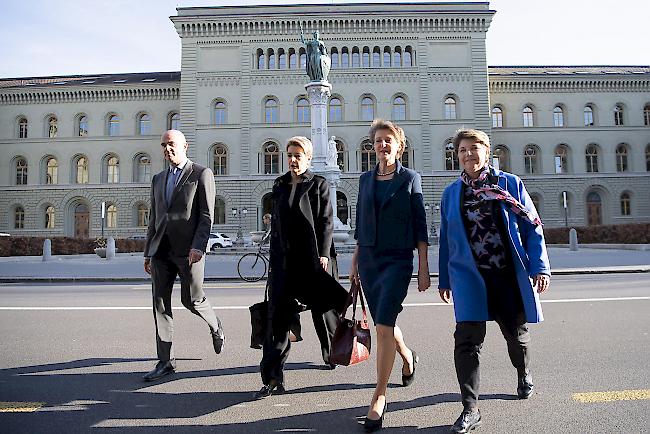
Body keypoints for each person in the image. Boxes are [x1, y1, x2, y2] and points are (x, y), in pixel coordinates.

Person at [437, 129, 551, 434]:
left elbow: (532, 226)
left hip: (505, 275)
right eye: (462, 150)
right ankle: (470, 408)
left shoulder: (509, 184)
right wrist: (445, 279)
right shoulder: (451, 193)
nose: (468, 154)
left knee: (516, 335)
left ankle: (523, 371)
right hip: (469, 277)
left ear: (487, 152)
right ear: (456, 155)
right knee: (466, 341)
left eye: (474, 148)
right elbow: (447, 239)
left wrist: (539, 266)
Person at [350, 119, 430, 432]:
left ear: (399, 146)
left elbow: (420, 224)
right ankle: (408, 357)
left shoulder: (411, 178)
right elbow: (360, 223)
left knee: (383, 324)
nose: (382, 145)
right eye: (378, 141)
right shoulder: (365, 180)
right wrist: (355, 260)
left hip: (398, 260)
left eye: (388, 140)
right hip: (369, 259)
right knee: (385, 324)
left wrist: (423, 266)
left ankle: (379, 396)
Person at [256, 136, 349, 399]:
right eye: (290, 155)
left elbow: (326, 222)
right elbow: (277, 225)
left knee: (324, 312)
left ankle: (332, 352)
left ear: (308, 157)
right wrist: (273, 261)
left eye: (298, 155)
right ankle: (273, 377)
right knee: (277, 318)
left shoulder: (318, 184)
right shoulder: (280, 184)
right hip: (284, 263)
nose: (293, 160)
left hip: (312, 260)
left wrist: (323, 254)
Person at [142, 129, 225, 381]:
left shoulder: (201, 174)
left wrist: (199, 246)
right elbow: (154, 218)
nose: (167, 149)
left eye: (172, 144)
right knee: (160, 305)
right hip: (160, 253)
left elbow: (207, 216)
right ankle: (166, 361)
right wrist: (148, 251)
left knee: (192, 301)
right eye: (164, 145)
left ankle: (216, 325)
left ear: (185, 146)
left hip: (189, 252)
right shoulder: (157, 179)